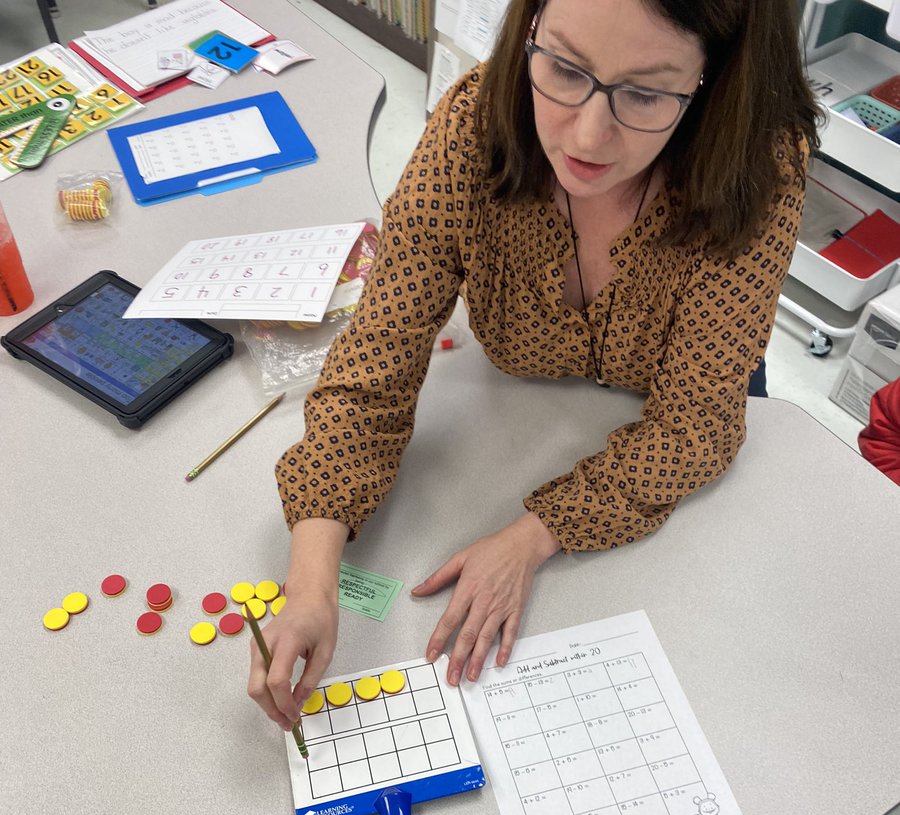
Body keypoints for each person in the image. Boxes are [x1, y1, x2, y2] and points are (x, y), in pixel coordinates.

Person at [249, 0, 819, 730]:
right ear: (529, 29)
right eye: (564, 67)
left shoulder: (759, 168)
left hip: (677, 405)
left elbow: (695, 427)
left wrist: (532, 535)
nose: (586, 134)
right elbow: (374, 366)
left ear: (715, 78)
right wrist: (311, 581)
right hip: (519, 404)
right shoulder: (470, 129)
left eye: (645, 93)